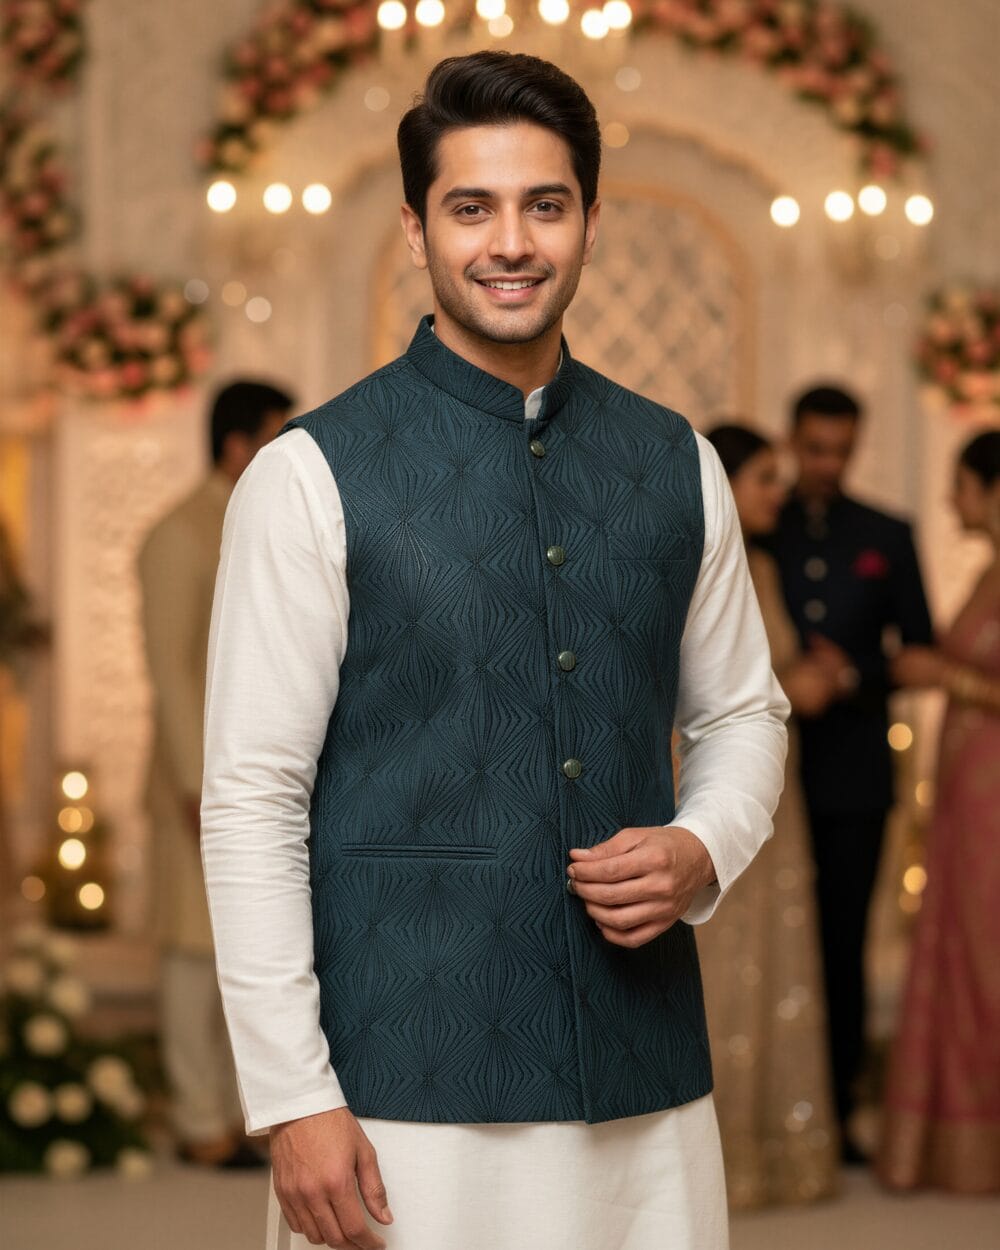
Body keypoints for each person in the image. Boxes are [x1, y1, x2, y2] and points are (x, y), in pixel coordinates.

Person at [201, 52, 789, 1250]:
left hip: (642, 1082)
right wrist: (293, 1095)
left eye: (545, 204)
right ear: (416, 229)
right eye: (471, 207)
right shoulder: (308, 474)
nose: (509, 242)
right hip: (398, 1083)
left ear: (587, 220)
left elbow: (742, 712)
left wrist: (701, 842)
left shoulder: (677, 462)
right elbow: (252, 797)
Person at [768, 385, 933, 1159]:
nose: (827, 464)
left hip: (855, 776)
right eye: (815, 448)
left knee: (841, 942)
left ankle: (831, 1113)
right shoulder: (760, 529)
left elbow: (918, 649)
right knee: (769, 940)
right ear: (793, 439)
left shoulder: (888, 534)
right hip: (768, 773)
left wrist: (852, 677)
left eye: (841, 449)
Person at [138, 378, 294, 1167]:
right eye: (277, 432)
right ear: (238, 445)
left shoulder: (260, 516)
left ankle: (244, 1116)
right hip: (197, 786)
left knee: (254, 943)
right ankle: (198, 1120)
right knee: (195, 953)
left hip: (264, 782)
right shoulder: (178, 533)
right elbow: (170, 672)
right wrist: (205, 787)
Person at [696, 424, 839, 1208]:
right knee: (723, 962)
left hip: (757, 788)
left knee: (756, 960)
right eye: (763, 479)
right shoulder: (719, 563)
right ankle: (725, 1156)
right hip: (722, 787)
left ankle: (758, 1150)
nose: (777, 494)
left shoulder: (755, 563)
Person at [877, 430, 1000, 1194]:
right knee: (960, 952)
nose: (953, 499)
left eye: (961, 484)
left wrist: (947, 679)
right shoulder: (988, 572)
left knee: (990, 958)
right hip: (965, 791)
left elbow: (968, 677)